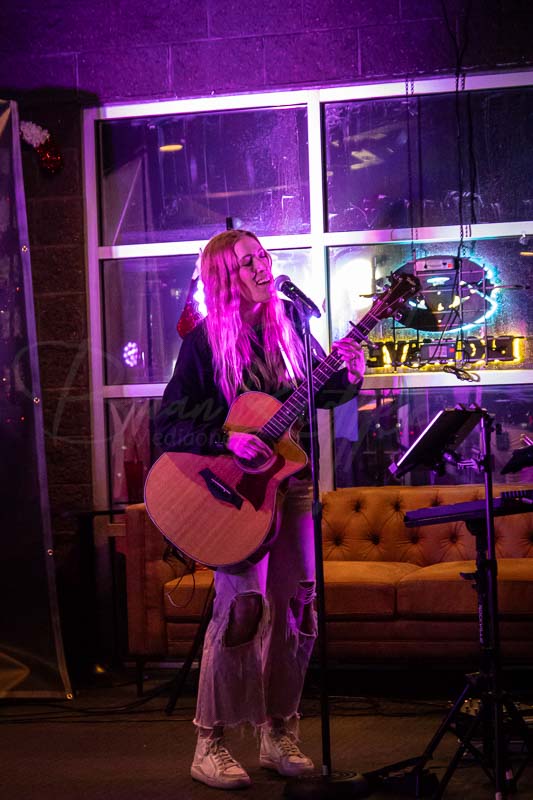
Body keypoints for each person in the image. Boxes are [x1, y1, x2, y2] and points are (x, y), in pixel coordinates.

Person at [155, 229, 365, 790]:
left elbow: (317, 393)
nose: (262, 266)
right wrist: (228, 440)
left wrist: (349, 376)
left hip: (289, 486)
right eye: (248, 261)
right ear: (225, 276)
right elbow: (169, 424)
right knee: (243, 609)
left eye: (263, 256)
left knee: (298, 608)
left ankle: (278, 732)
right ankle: (210, 742)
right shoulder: (203, 342)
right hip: (230, 494)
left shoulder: (290, 323)